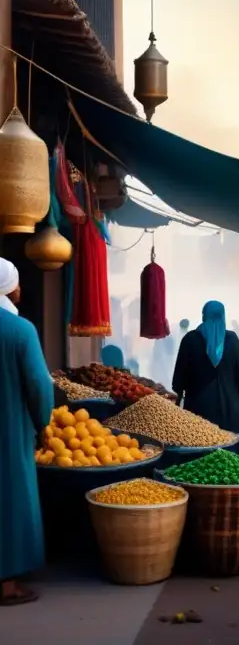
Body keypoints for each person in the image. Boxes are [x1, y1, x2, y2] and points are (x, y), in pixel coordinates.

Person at [0, 258, 52, 606]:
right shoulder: (20, 331)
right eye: (16, 283)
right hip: (9, 429)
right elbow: (39, 385)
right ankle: (7, 585)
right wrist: (42, 422)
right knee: (10, 498)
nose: (21, 290)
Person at [173, 302, 239, 454]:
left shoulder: (190, 339)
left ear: (204, 316)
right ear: (223, 316)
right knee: (230, 447)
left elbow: (180, 375)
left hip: (198, 405)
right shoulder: (231, 339)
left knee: (199, 450)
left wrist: (178, 396)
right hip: (229, 404)